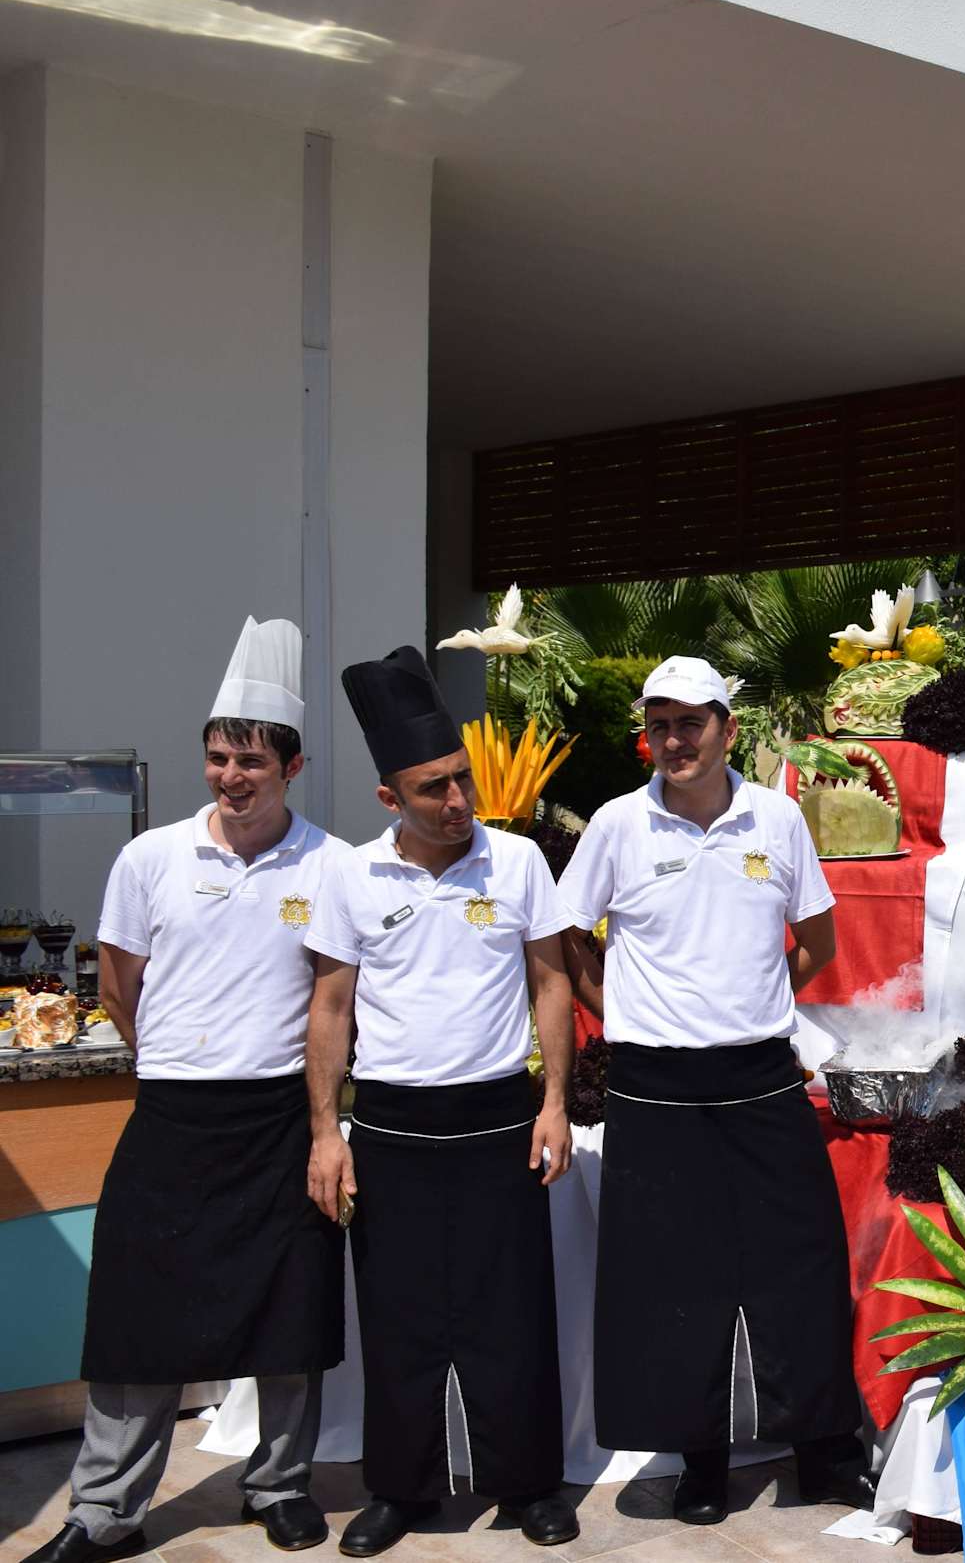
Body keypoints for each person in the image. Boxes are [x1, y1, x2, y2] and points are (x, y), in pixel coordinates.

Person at [23, 619, 345, 1563]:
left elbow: (333, 1001)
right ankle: (105, 1509)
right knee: (136, 1313)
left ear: (293, 766)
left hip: (280, 1116)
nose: (230, 777)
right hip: (173, 1114)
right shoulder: (151, 858)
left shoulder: (330, 865)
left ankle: (279, 1485)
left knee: (291, 1309)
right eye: (217, 758)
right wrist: (173, 1056)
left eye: (251, 761)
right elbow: (119, 986)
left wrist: (325, 1125)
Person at [555, 657, 869, 1524]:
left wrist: (759, 1000)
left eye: (690, 723)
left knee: (800, 1264)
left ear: (727, 729)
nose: (674, 740)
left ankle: (823, 1452)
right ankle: (700, 1462)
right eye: (659, 725)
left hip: (761, 1074)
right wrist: (617, 1010)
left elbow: (817, 939)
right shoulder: (618, 824)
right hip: (653, 1083)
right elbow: (568, 934)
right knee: (670, 1278)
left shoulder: (777, 817)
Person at [301, 646, 580, 1555]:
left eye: (462, 778)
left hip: (500, 1117)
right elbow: (331, 1007)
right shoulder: (351, 876)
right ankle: (402, 1489)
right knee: (399, 1319)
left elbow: (551, 983)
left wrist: (555, 1100)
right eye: (434, 788)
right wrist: (326, 1133)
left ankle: (529, 1484)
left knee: (513, 1314)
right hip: (391, 1124)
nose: (458, 800)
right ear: (391, 798)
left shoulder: (518, 861)